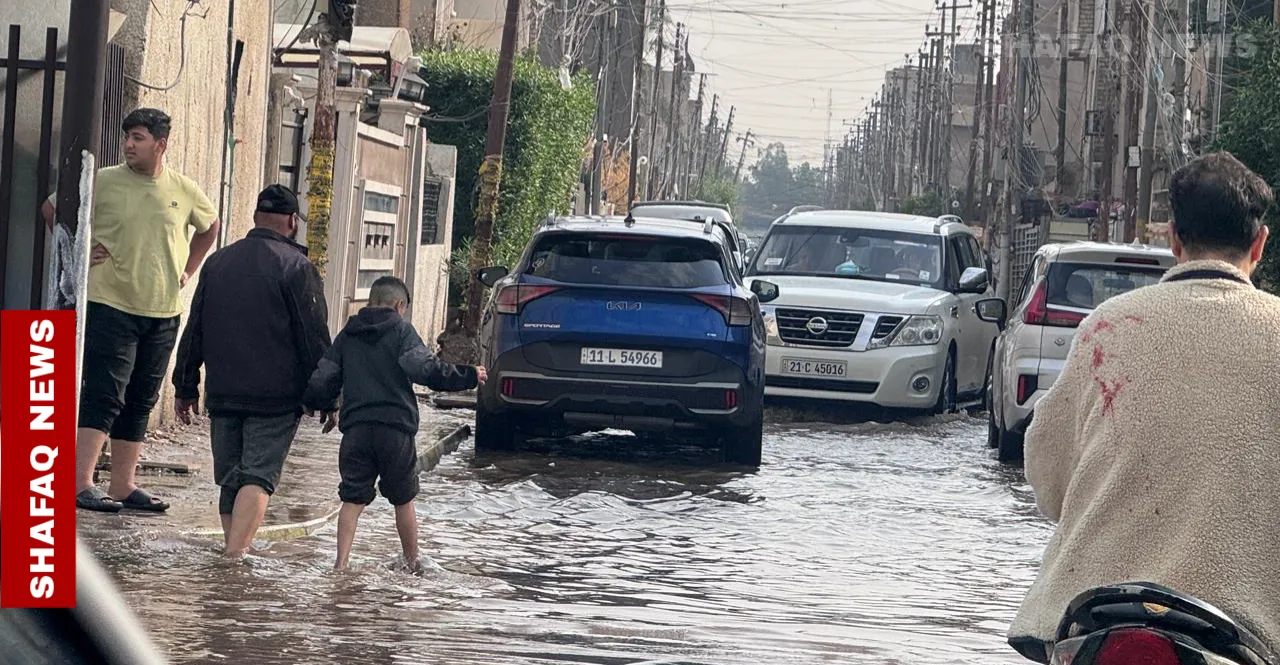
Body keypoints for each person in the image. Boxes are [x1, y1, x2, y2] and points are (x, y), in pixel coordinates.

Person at [1007, 151, 1280, 661]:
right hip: (1250, 633)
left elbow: (1047, 475)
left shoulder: (1105, 328)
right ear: (1260, 245)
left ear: (1174, 238)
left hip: (1091, 623)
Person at [42, 108, 221, 513]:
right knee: (105, 392)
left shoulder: (183, 189)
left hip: (162, 309)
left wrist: (188, 270)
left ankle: (123, 484)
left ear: (161, 144)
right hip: (110, 302)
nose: (129, 145)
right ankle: (80, 481)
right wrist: (80, 254)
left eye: (138, 138)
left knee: (142, 397)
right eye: (127, 137)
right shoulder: (103, 180)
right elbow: (52, 211)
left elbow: (210, 226)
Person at [171, 185, 335, 557]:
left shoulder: (217, 263)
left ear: (255, 217)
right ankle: (234, 559)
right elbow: (313, 340)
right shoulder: (297, 268)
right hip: (275, 400)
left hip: (224, 392)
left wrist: (185, 385)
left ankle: (233, 552)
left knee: (231, 480)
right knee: (258, 476)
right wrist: (326, 394)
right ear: (293, 222)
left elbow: (194, 327)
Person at [303, 276, 487, 572]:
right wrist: (468, 375)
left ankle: (340, 565)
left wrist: (315, 403)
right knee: (404, 498)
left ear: (371, 301)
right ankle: (412, 562)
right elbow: (427, 370)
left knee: (351, 498)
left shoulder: (348, 334)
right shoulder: (401, 331)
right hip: (395, 431)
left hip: (357, 431)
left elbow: (324, 378)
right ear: (400, 305)